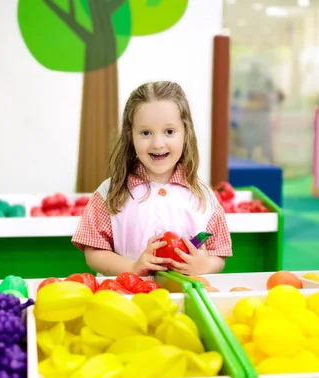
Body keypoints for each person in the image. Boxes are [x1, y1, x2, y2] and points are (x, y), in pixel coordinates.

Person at [71, 81, 232, 276]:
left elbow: (219, 252)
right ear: (131, 136)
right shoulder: (110, 192)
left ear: (185, 133)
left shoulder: (204, 196)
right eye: (146, 133)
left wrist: (205, 266)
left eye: (169, 132)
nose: (157, 143)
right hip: (125, 299)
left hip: (183, 299)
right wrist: (132, 268)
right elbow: (94, 251)